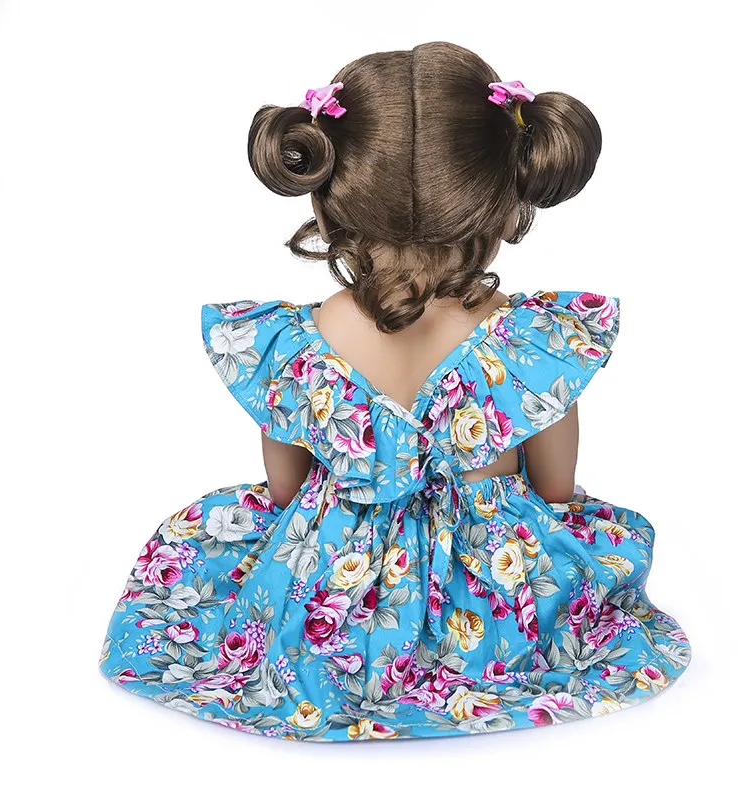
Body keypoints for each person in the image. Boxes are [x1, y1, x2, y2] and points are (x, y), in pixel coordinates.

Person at [99, 41, 691, 742]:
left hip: (334, 600)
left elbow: (284, 489)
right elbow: (556, 487)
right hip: (491, 606)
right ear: (503, 203)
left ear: (329, 199)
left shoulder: (296, 342)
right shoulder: (531, 341)